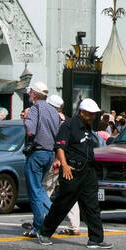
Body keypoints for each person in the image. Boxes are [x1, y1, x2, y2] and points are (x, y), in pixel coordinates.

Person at [36, 98, 110, 248]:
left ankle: (96, 239)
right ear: (82, 113)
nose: (93, 116)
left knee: (92, 205)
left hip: (88, 171)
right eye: (90, 114)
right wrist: (64, 165)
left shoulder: (88, 127)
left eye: (94, 114)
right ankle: (44, 232)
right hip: (72, 170)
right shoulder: (69, 125)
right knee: (63, 203)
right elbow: (60, 147)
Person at [22, 80, 59, 239]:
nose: (30, 95)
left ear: (35, 94)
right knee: (40, 189)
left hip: (37, 152)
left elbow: (30, 131)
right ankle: (53, 216)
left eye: (31, 92)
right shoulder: (53, 110)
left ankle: (39, 225)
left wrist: (25, 119)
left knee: (34, 190)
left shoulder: (35, 108)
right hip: (50, 153)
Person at [39, 94, 81, 236]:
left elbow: (59, 143)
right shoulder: (68, 121)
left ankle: (41, 221)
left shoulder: (55, 120)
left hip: (57, 160)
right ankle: (74, 225)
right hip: (68, 161)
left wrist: (57, 159)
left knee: (45, 190)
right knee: (69, 193)